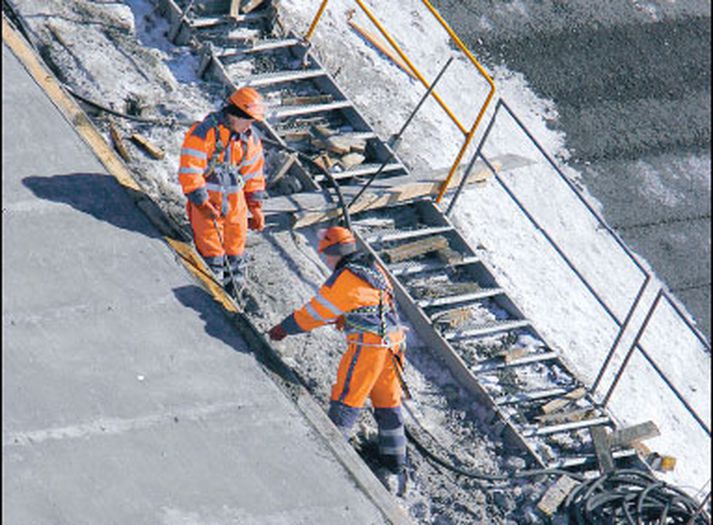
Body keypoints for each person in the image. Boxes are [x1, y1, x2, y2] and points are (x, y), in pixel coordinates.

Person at [268, 226, 409, 495]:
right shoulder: (373, 269)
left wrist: (284, 328)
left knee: (347, 400)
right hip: (393, 345)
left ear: (333, 253)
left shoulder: (343, 280)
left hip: (368, 347)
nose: (326, 261)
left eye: (326, 256)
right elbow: (374, 303)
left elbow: (315, 313)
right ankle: (395, 464)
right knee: (389, 404)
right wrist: (348, 316)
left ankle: (330, 462)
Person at [178, 86, 267, 294]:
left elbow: (254, 175)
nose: (251, 125)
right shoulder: (204, 133)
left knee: (236, 254)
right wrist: (201, 202)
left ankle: (235, 297)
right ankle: (210, 298)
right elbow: (190, 170)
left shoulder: (249, 139)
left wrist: (255, 207)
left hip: (235, 207)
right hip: (208, 206)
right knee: (212, 256)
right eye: (249, 119)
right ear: (235, 114)